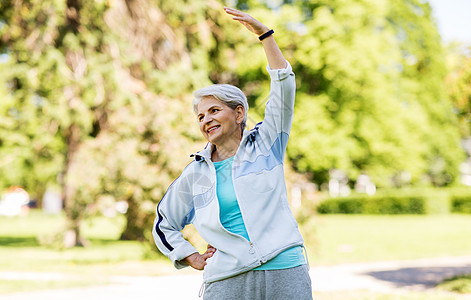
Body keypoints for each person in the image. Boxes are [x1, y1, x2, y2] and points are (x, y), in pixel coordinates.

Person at [153, 7, 312, 300]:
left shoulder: (266, 143)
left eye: (214, 110)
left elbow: (284, 87)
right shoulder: (195, 174)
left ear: (238, 113)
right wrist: (191, 256)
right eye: (200, 116)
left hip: (284, 271)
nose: (206, 120)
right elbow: (165, 223)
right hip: (227, 279)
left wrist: (265, 36)